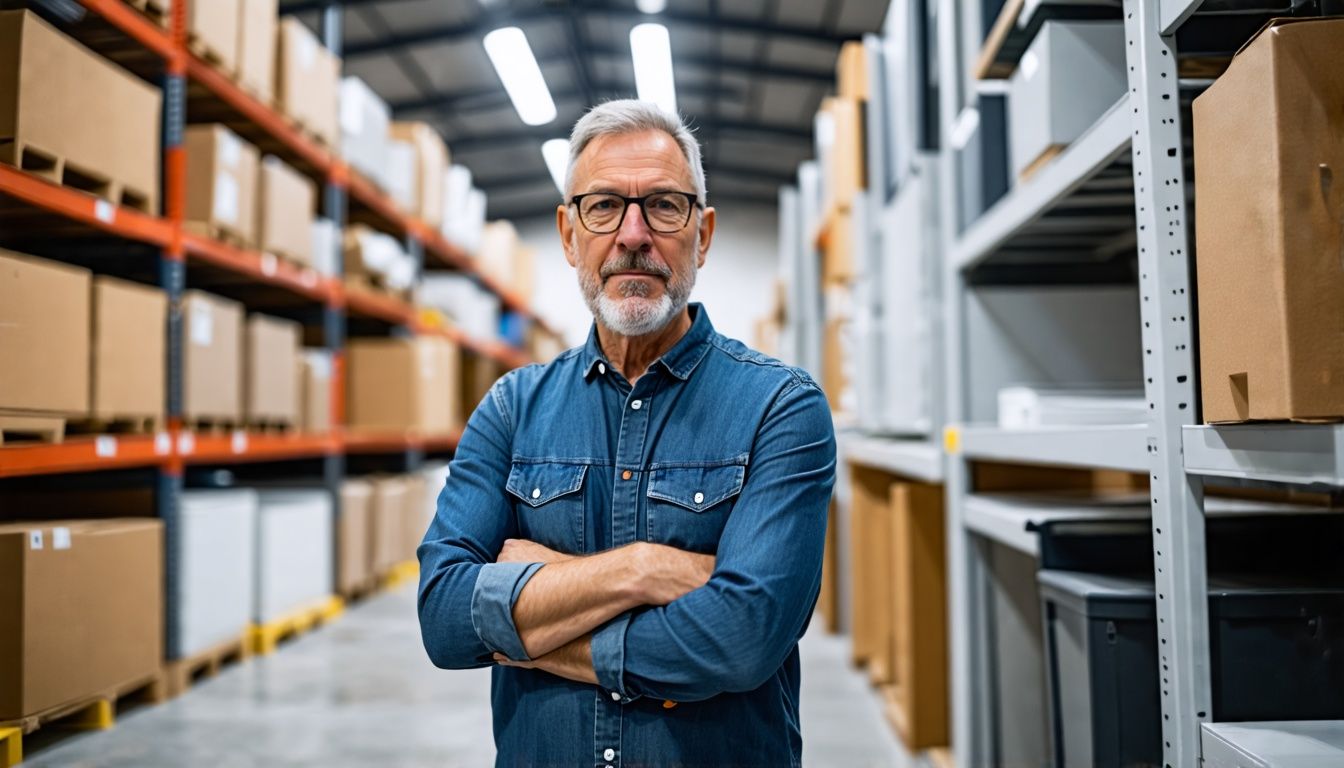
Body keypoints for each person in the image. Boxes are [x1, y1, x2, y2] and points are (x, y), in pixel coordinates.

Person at [417, 99, 836, 767]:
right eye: (604, 206)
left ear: (702, 234)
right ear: (567, 232)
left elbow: (743, 638)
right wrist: (646, 572)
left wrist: (529, 613)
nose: (634, 234)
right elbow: (442, 618)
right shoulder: (509, 409)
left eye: (665, 206)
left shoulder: (781, 408)